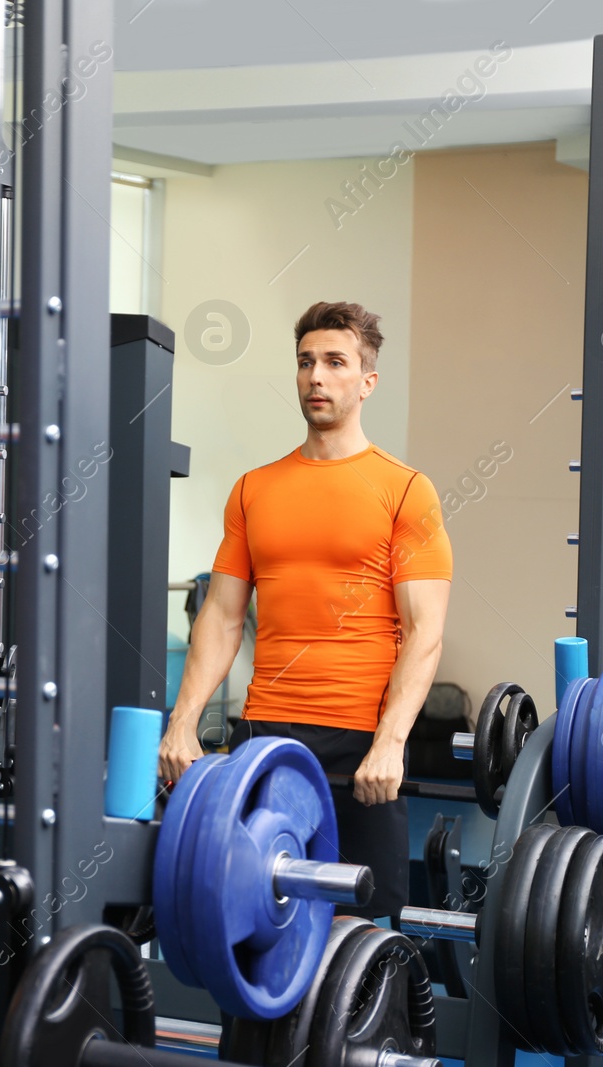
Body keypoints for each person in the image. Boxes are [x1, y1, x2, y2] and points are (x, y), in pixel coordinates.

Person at [158, 300, 452, 923]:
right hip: (267, 733)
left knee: (352, 936)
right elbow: (221, 616)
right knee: (254, 919)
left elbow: (425, 631)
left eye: (335, 362)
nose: (316, 376)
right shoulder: (254, 489)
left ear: (367, 381)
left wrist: (391, 744)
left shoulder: (405, 489)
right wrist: (183, 721)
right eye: (305, 362)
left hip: (360, 745)